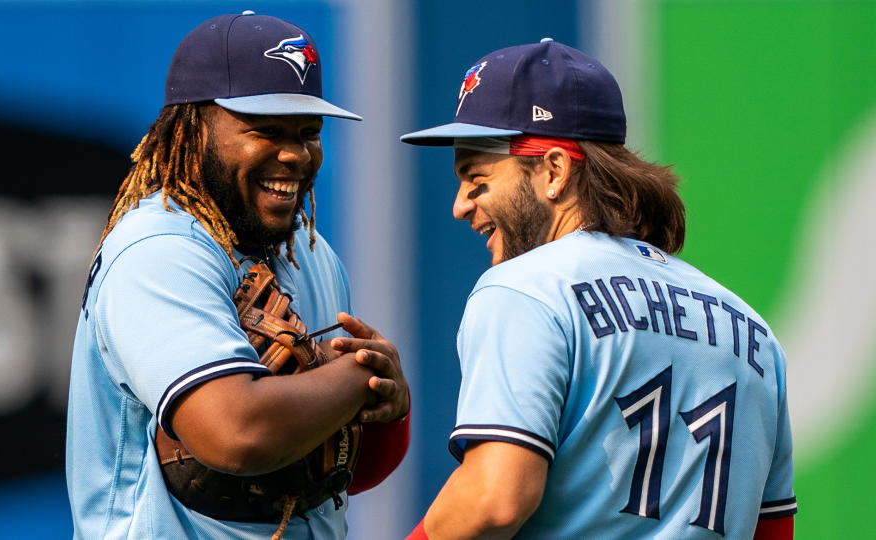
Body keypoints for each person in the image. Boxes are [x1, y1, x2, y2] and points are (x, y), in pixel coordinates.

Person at [399, 39, 796, 539]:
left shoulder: (525, 289)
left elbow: (494, 499)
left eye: (476, 177)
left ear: (554, 171)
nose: (460, 204)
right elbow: (774, 531)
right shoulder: (754, 331)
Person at [66, 12, 410, 539]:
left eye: (309, 132)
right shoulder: (159, 251)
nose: (295, 154)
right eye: (265, 130)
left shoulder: (311, 255)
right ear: (193, 126)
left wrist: (385, 401)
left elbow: (335, 475)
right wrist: (354, 378)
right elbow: (238, 433)